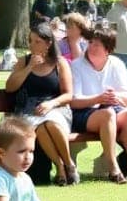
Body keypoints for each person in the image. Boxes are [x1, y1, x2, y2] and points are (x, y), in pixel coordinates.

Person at [70, 27, 127, 183]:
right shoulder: (77, 65)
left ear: (107, 49)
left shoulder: (116, 64)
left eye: (96, 44)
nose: (91, 47)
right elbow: (74, 100)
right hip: (84, 112)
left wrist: (114, 96)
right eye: (90, 42)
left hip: (111, 109)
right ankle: (113, 168)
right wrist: (98, 99)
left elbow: (126, 96)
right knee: (108, 114)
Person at [5, 24, 79, 186]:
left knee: (50, 123)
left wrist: (51, 104)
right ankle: (60, 167)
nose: (32, 45)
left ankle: (68, 164)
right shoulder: (24, 62)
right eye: (30, 41)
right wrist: (29, 67)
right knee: (40, 127)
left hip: (56, 107)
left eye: (37, 41)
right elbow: (10, 87)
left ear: (48, 43)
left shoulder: (60, 63)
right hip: (28, 110)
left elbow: (68, 94)